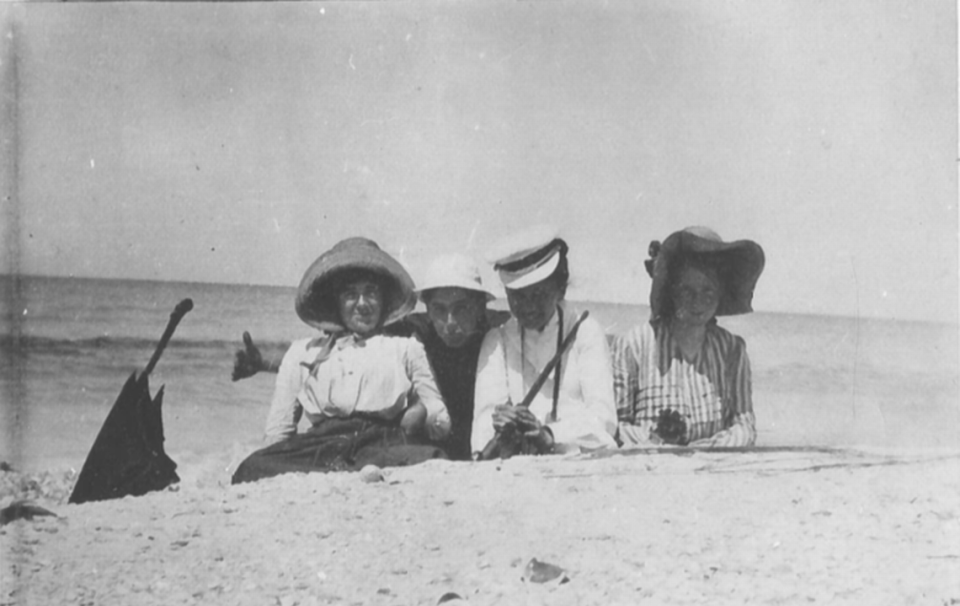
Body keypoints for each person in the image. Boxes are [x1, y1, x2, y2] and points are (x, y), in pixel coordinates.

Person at [231, 254, 509, 460]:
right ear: (427, 307)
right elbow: (349, 360)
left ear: (481, 306)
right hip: (425, 444)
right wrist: (266, 363)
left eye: (461, 309)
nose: (450, 322)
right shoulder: (413, 331)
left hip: (476, 441)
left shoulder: (500, 335)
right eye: (439, 309)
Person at [231, 238, 451, 484]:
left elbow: (440, 422)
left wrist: (420, 411)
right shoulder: (301, 352)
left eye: (371, 292)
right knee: (251, 467)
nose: (362, 304)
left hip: (384, 443)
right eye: (350, 294)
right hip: (320, 445)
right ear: (335, 301)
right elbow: (278, 433)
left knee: (434, 457)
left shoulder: (406, 347)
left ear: (384, 298)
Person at [610, 226, 764, 448]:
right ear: (671, 292)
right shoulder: (633, 346)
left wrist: (708, 448)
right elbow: (613, 426)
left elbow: (744, 425)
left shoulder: (732, 350)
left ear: (720, 293)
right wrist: (654, 443)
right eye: (687, 291)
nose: (697, 301)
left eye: (708, 291)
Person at [471, 227, 618, 457]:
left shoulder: (585, 332)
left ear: (560, 288)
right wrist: (499, 424)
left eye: (538, 295)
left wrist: (551, 435)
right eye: (517, 297)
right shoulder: (497, 340)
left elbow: (604, 418)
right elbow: (482, 426)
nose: (528, 307)